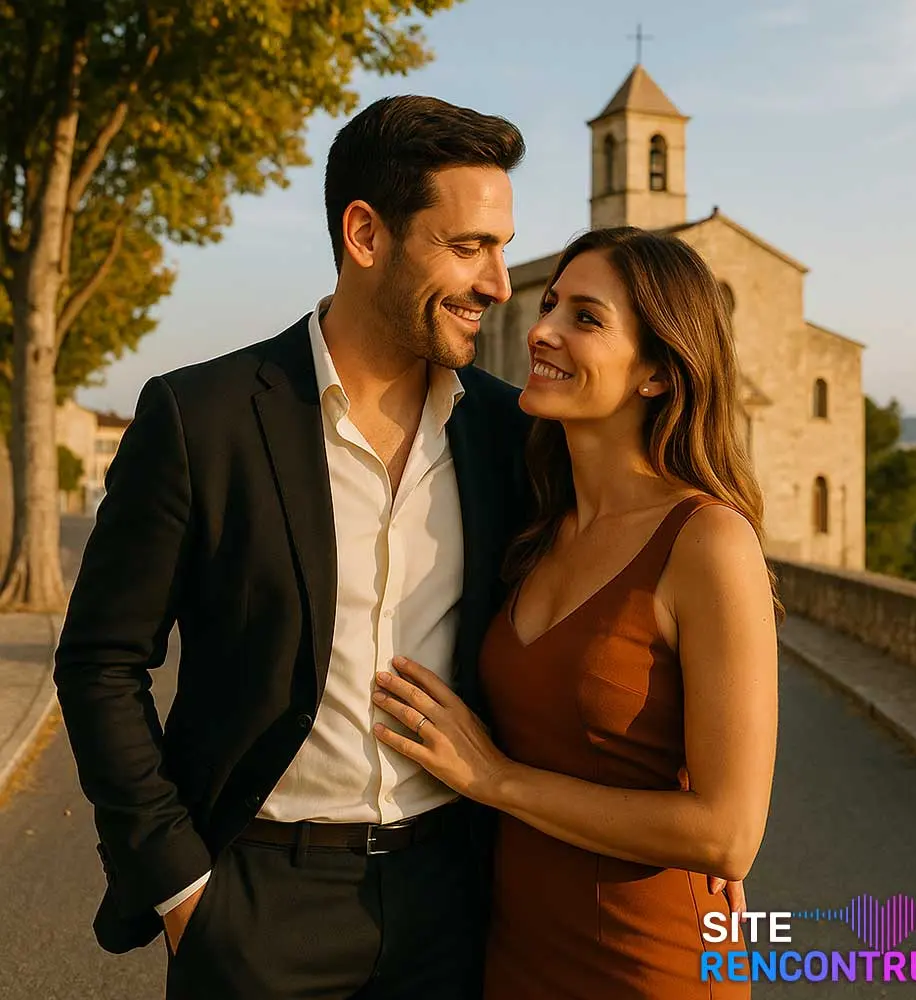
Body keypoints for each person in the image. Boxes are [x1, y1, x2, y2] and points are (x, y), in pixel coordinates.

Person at [54, 93, 744, 998]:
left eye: (502, 248)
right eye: (468, 247)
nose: (499, 284)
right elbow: (102, 662)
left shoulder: (510, 435)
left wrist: (691, 817)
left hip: (460, 905)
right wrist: (182, 889)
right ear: (366, 234)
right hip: (256, 902)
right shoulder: (201, 419)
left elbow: (609, 624)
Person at [368, 226, 781, 999]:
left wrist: (497, 780)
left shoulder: (707, 541)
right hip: (511, 953)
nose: (542, 330)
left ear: (658, 373)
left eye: (585, 317)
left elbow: (728, 836)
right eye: (550, 304)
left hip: (647, 964)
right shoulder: (534, 524)